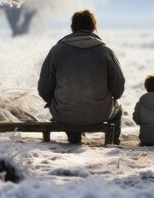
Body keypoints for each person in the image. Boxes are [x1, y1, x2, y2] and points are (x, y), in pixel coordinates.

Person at [37, 10, 125, 144]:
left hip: (64, 113)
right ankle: (112, 143)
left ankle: (74, 141)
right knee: (118, 109)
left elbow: (44, 88)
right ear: (94, 27)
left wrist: (56, 102)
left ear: (72, 28)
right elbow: (118, 88)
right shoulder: (106, 51)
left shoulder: (57, 51)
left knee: (70, 112)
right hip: (100, 113)